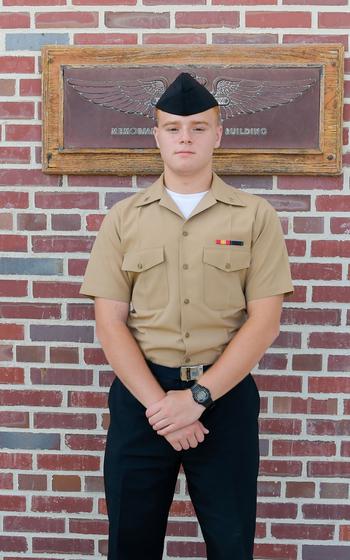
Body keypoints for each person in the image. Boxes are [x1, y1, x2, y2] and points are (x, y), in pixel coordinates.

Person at [79, 72, 294, 560]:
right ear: (156, 135)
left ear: (217, 135)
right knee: (131, 544)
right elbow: (109, 322)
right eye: (173, 128)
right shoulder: (125, 217)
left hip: (224, 397)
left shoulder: (254, 216)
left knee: (231, 542)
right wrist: (164, 408)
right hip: (142, 401)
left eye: (198, 128)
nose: (185, 138)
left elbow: (265, 321)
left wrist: (197, 398)